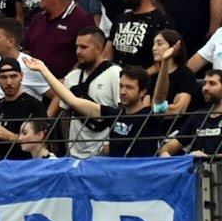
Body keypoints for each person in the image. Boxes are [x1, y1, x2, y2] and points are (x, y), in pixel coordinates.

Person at [27, 54, 163, 157]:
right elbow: (72, 100)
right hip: (116, 179)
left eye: (129, 87)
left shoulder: (150, 115)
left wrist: (166, 63)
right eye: (121, 86)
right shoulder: (114, 114)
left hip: (143, 181)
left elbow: (160, 99)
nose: (123, 91)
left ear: (143, 91)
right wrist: (43, 69)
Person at [57, 31, 123, 160]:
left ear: (99, 48)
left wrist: (114, 145)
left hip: (104, 154)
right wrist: (67, 147)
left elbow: (123, 113)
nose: (78, 51)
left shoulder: (115, 74)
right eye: (77, 46)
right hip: (75, 155)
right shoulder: (71, 78)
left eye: (84, 47)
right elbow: (64, 114)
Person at [23, 0, 94, 79]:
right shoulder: (38, 18)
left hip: (64, 87)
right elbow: (27, 50)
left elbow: (87, 57)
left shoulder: (82, 20)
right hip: (33, 84)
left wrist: (66, 82)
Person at [0, 59, 46, 163]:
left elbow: (42, 142)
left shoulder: (34, 105)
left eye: (13, 76)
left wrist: (10, 136)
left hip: (22, 165)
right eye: (4, 77)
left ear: (21, 76)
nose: (9, 82)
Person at [107, 0, 170, 74]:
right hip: (116, 81)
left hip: (146, 83)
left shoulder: (162, 21)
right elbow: (107, 55)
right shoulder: (120, 19)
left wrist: (137, 79)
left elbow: (163, 62)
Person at [161, 69, 222, 157]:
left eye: (212, 84)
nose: (205, 88)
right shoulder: (198, 116)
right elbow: (167, 148)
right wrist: (166, 155)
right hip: (197, 170)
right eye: (204, 83)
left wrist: (208, 158)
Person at [148, 30, 197, 116]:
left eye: (159, 44)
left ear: (173, 47)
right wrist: (167, 107)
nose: (154, 48)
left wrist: (162, 108)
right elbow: (155, 111)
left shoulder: (186, 74)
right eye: (154, 44)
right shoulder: (154, 76)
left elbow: (177, 111)